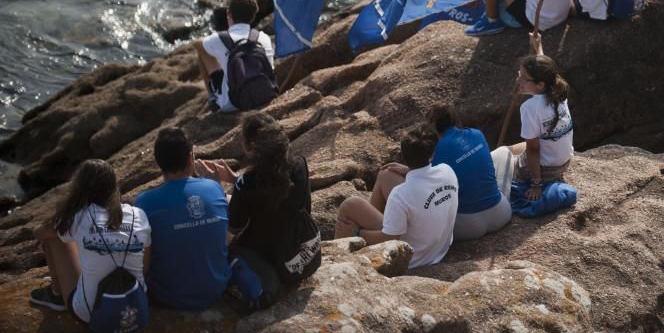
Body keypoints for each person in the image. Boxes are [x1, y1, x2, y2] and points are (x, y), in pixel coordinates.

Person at [195, 113, 316, 302]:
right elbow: (272, 191)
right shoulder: (299, 164)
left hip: (279, 264)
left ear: (250, 149)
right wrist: (235, 178)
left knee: (218, 242)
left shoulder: (247, 185)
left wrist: (214, 187)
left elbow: (231, 229)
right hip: (308, 255)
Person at [29, 160, 151, 324]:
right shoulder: (138, 215)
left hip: (91, 313)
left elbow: (38, 233)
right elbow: (146, 266)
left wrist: (64, 213)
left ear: (80, 188)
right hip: (137, 307)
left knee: (55, 238)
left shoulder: (76, 217)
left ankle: (57, 294)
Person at [334, 125, 459, 269]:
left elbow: (390, 239)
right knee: (386, 174)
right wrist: (409, 170)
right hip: (438, 249)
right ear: (432, 154)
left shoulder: (400, 194)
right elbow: (425, 175)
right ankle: (368, 240)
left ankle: (338, 263)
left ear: (404, 156)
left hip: (412, 257)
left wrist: (357, 233)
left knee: (350, 205)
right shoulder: (447, 171)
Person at [135, 127, 231, 310]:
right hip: (217, 287)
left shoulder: (144, 202)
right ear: (190, 158)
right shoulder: (213, 187)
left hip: (170, 295)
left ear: (159, 162)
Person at [382, 108, 512, 242]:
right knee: (502, 152)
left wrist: (409, 171)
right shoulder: (477, 134)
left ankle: (381, 228)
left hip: (467, 226)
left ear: (432, 127)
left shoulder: (437, 149)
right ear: (455, 120)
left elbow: (426, 180)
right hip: (501, 213)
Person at [193, 0, 276, 112]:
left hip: (232, 104)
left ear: (228, 13)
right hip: (265, 95)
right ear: (254, 15)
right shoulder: (264, 38)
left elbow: (196, 44)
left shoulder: (219, 39)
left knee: (202, 52)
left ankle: (213, 97)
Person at [509, 52, 574, 202]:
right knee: (513, 148)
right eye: (519, 74)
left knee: (504, 154)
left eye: (524, 78)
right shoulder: (560, 91)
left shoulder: (530, 108)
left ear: (540, 84)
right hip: (564, 162)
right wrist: (538, 47)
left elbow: (533, 148)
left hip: (547, 171)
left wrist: (536, 184)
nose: (518, 80)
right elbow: (547, 69)